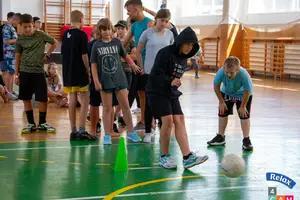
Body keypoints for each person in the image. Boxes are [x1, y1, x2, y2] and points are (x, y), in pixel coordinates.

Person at [146, 26, 209, 169]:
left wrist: (173, 83)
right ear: (180, 42)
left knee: (180, 119)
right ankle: (164, 156)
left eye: (192, 45)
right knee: (167, 121)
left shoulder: (183, 59)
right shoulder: (165, 53)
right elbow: (155, 74)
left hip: (170, 92)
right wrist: (170, 81)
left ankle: (187, 157)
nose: (189, 47)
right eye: (187, 44)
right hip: (156, 91)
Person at [90, 18, 142, 145]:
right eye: (103, 29)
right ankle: (107, 134)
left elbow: (125, 56)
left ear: (111, 29)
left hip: (119, 78)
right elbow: (93, 65)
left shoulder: (117, 43)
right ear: (99, 31)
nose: (106, 32)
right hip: (105, 80)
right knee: (107, 108)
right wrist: (96, 80)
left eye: (108, 29)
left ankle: (131, 132)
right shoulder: (96, 45)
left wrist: (133, 65)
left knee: (125, 107)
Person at [14, 13, 58, 133]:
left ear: (33, 25)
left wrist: (47, 55)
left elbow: (55, 42)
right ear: (20, 26)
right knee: (26, 98)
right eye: (25, 27)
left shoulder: (41, 35)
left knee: (43, 98)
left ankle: (42, 123)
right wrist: (17, 74)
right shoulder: (20, 39)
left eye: (30, 26)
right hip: (24, 72)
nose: (28, 29)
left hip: (38, 71)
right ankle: (31, 124)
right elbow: (17, 56)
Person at [136, 8, 174, 143]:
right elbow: (138, 51)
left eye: (166, 21)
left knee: (163, 102)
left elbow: (172, 54)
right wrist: (141, 67)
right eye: (162, 20)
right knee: (148, 104)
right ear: (156, 19)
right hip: (149, 74)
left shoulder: (169, 35)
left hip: (164, 75)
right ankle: (148, 131)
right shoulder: (147, 33)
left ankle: (163, 129)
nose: (163, 23)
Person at [61, 10, 97, 140]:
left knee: (72, 99)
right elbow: (84, 55)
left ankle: (73, 130)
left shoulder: (65, 34)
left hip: (68, 72)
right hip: (80, 71)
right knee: (85, 99)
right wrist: (88, 70)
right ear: (81, 20)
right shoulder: (82, 34)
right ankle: (82, 129)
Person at [207, 56, 253, 151]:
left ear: (237, 70)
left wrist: (243, 106)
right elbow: (216, 86)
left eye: (231, 73)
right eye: (226, 72)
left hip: (242, 94)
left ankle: (246, 139)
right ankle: (220, 137)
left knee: (244, 115)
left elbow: (247, 91)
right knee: (222, 112)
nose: (228, 75)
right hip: (227, 92)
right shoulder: (220, 72)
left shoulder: (244, 75)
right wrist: (221, 101)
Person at [123, 0, 154, 131]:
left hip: (151, 65)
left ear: (136, 9)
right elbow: (123, 43)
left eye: (129, 11)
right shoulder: (134, 26)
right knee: (141, 93)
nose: (128, 14)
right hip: (140, 66)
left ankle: (151, 122)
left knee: (149, 94)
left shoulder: (150, 23)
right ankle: (143, 120)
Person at [114, 19, 136, 127]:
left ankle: (116, 114)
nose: (120, 30)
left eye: (122, 28)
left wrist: (122, 58)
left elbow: (135, 56)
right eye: (118, 28)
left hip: (127, 71)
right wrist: (125, 57)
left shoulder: (131, 42)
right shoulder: (113, 41)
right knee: (116, 96)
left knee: (125, 95)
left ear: (127, 29)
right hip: (115, 72)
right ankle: (118, 115)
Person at [2, 13, 20, 99]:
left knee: (12, 72)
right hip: (9, 53)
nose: (18, 24)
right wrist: (17, 39)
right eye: (18, 22)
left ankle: (11, 90)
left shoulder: (11, 27)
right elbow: (6, 41)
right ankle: (7, 92)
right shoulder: (7, 27)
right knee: (9, 73)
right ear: (14, 19)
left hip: (12, 53)